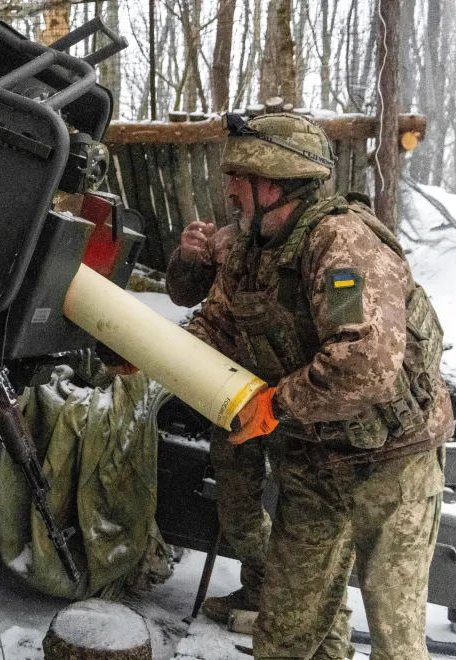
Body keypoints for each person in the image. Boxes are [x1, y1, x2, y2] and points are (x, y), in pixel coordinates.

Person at [187, 111, 453, 660]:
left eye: (238, 177)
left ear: (273, 181)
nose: (229, 189)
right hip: (313, 462)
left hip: (391, 463)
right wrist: (147, 352)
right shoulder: (250, 250)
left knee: (396, 642)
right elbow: (217, 326)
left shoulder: (342, 245)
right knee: (285, 633)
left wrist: (275, 405)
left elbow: (365, 360)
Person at [166, 190, 353, 660]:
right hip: (232, 393)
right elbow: (192, 301)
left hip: (300, 404)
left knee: (314, 539)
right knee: (238, 507)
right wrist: (188, 258)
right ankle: (261, 588)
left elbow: (352, 345)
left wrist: (285, 402)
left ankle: (324, 635)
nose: (233, 189)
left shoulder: (329, 247)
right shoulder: (234, 239)